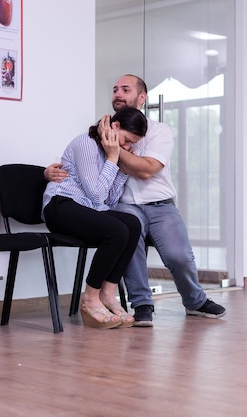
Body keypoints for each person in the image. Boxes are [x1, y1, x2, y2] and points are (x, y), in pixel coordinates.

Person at [46, 74, 226, 327]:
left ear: (141, 97)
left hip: (157, 203)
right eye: (115, 89)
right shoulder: (94, 139)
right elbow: (91, 188)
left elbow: (146, 169)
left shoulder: (156, 131)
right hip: (112, 203)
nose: (118, 94)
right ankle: (137, 304)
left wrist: (116, 153)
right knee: (127, 227)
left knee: (177, 255)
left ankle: (194, 301)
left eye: (126, 89)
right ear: (116, 126)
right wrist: (50, 172)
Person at [42, 107, 147, 329]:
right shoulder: (86, 144)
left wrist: (121, 170)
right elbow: (96, 194)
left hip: (87, 208)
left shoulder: (109, 153)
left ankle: (108, 294)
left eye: (131, 145)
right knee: (116, 231)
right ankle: (90, 298)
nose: (127, 148)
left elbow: (106, 202)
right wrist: (113, 157)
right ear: (115, 127)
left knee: (132, 224)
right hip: (61, 205)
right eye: (127, 140)